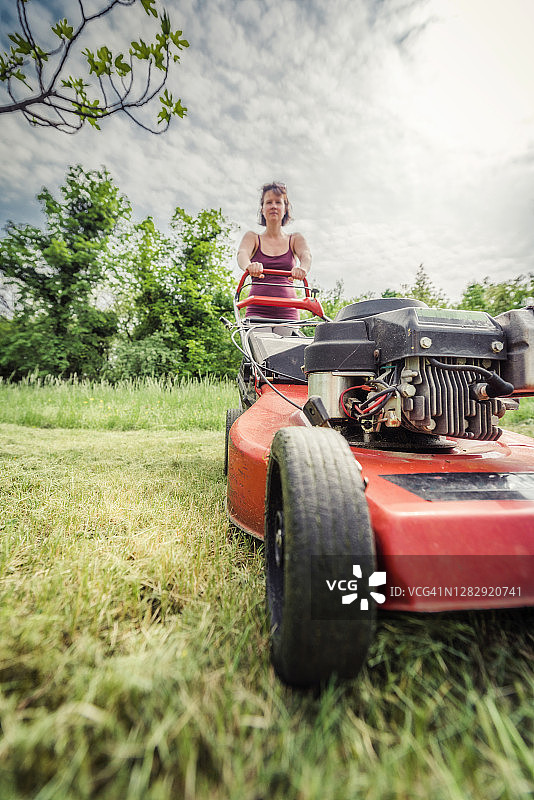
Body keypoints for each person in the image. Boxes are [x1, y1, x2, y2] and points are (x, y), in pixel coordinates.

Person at [236, 182, 312, 321]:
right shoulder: (253, 238)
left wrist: (302, 268)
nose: (273, 206)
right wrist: (249, 266)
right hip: (257, 309)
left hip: (288, 311)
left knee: (290, 343)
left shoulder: (295, 239)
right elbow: (242, 254)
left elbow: (306, 255)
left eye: (278, 202)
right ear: (262, 209)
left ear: (285, 208)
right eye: (269, 202)